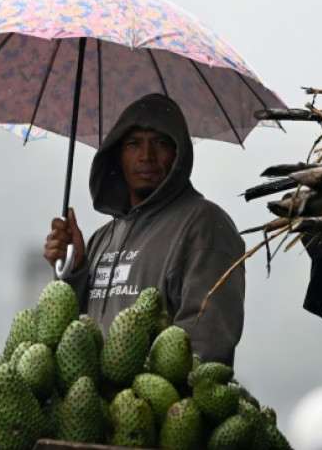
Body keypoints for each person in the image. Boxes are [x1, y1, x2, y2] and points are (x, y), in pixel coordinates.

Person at [43, 93, 245, 366]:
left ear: (179, 154)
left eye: (161, 143)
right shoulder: (103, 238)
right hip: (101, 396)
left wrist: (142, 389)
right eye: (133, 144)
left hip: (163, 395)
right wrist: (74, 269)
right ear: (117, 156)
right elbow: (77, 339)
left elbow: (207, 341)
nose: (147, 156)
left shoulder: (204, 224)